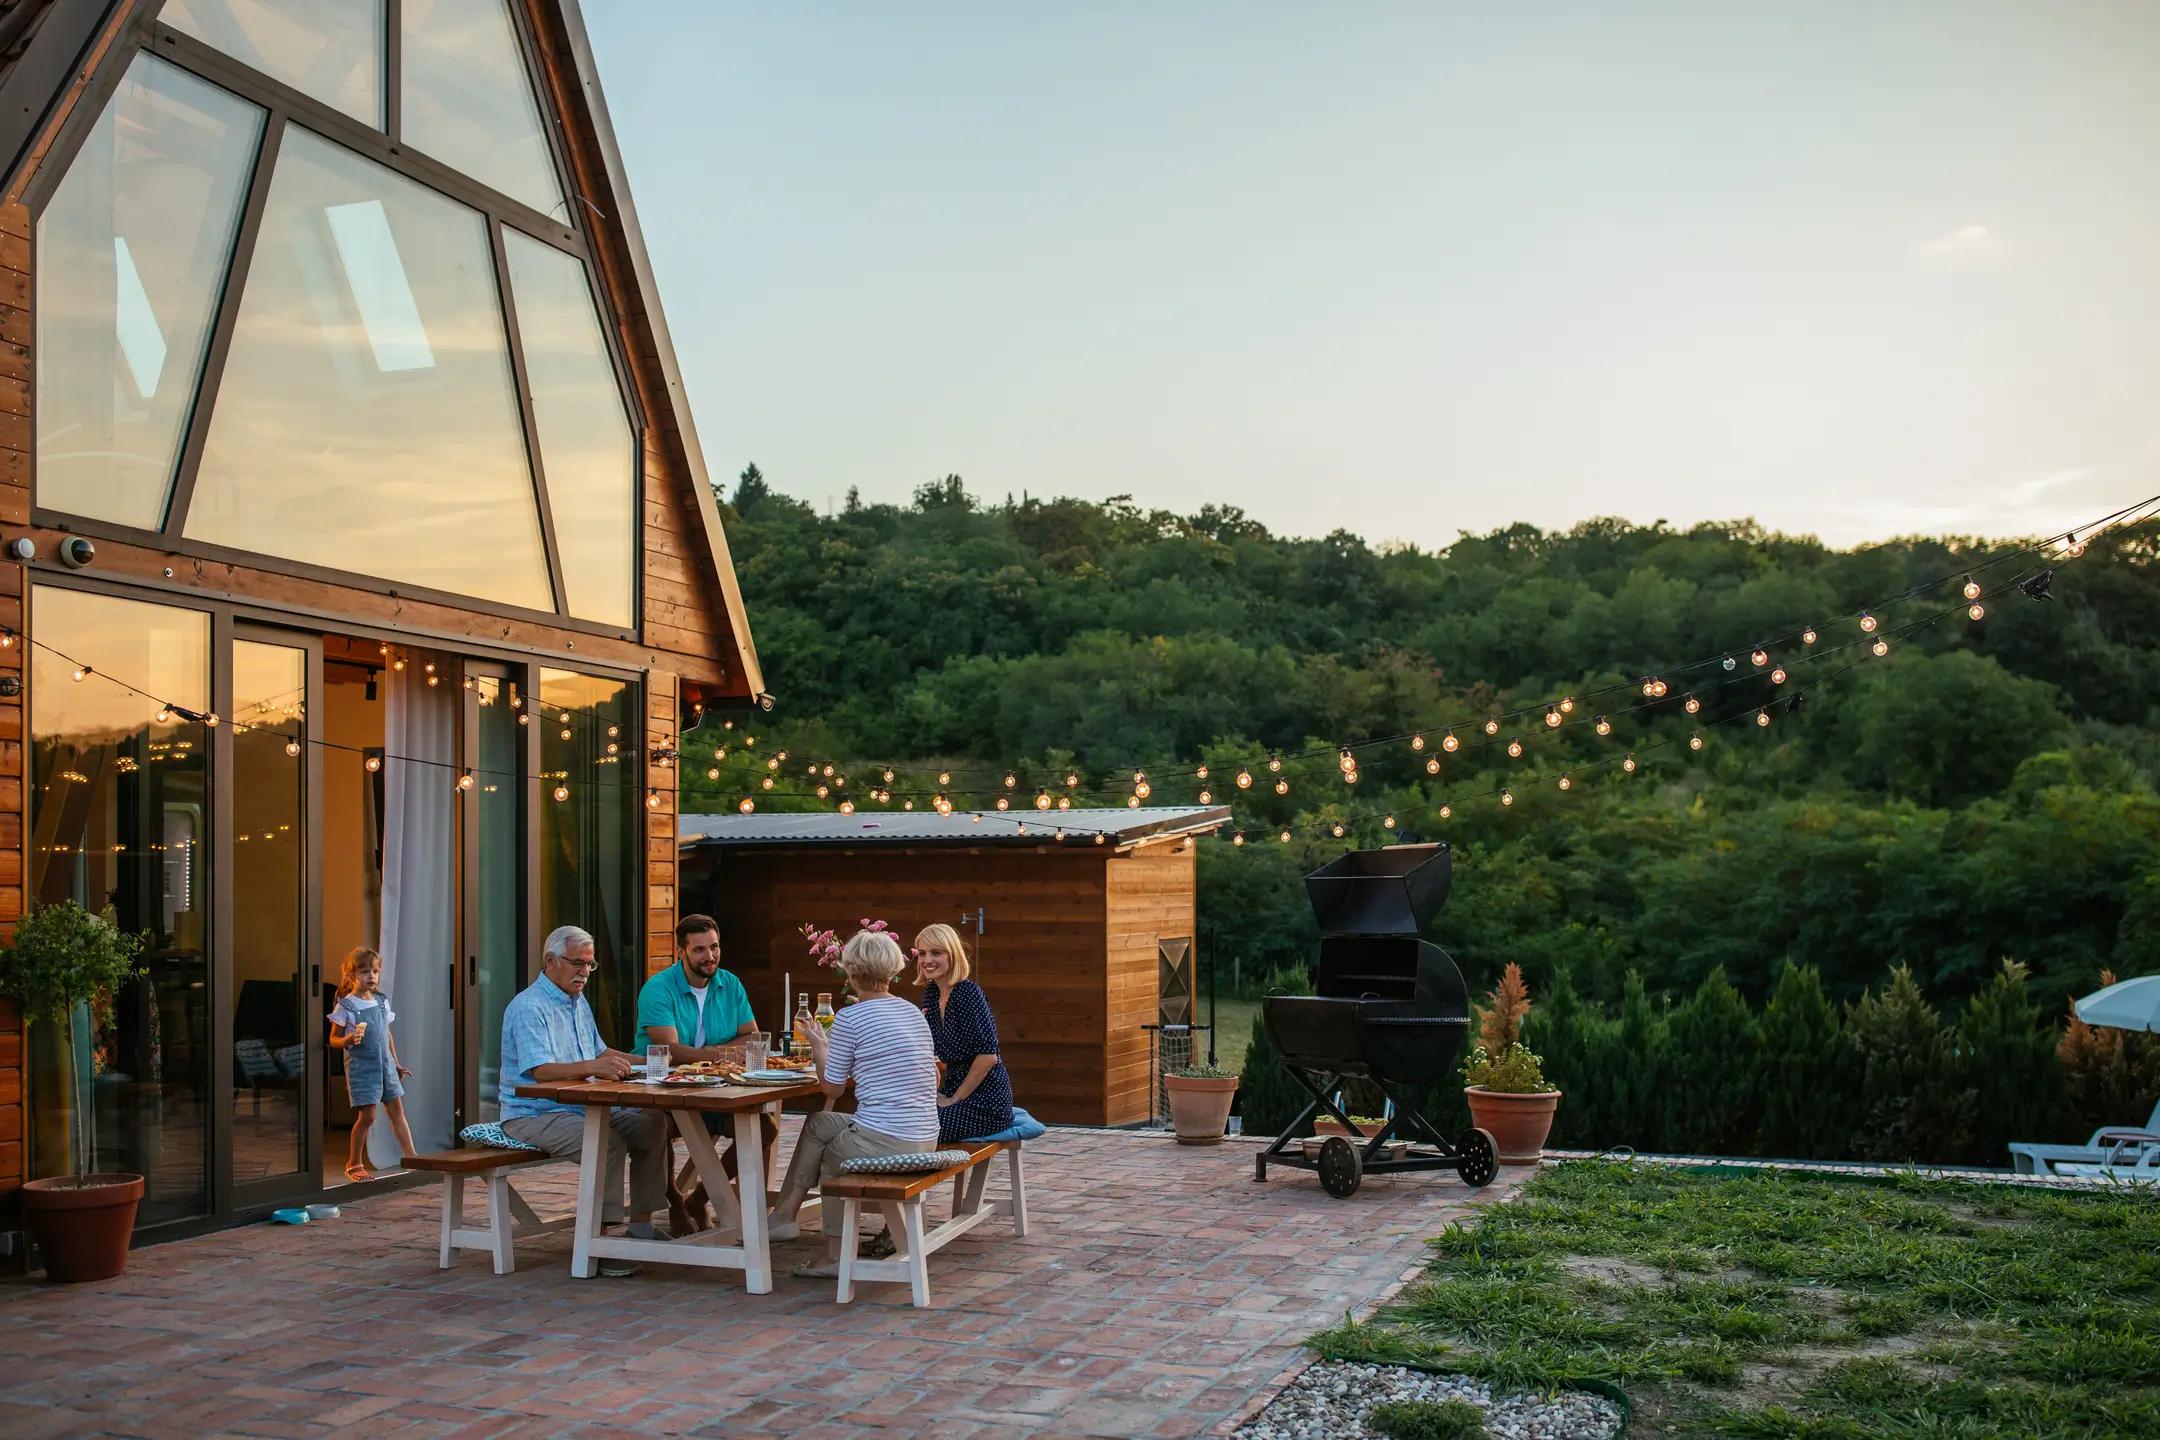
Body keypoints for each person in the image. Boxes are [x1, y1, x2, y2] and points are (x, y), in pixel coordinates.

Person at [499, 924, 672, 1276]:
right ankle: (601, 1241)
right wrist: (595, 1066)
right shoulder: (529, 1007)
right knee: (606, 1140)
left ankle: (641, 1226)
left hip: (580, 1108)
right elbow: (542, 1071)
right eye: (577, 963)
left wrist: (653, 1060)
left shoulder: (576, 1002)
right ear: (550, 961)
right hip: (532, 1114)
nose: (584, 973)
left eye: (590, 966)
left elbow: (598, 1051)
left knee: (652, 1123)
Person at [766, 929, 939, 1279]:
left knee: (834, 1157)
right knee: (818, 1124)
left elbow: (831, 1087)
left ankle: (832, 1255)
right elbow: (932, 1077)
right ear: (892, 971)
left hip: (886, 1138)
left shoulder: (850, 1018)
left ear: (851, 973)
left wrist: (818, 1046)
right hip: (924, 1135)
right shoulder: (911, 1012)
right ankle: (783, 1216)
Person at [635, 913, 776, 1233]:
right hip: (663, 1089)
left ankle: (698, 1199)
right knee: (653, 1125)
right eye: (699, 949)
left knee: (762, 1128)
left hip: (715, 1089)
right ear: (681, 952)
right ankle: (673, 1201)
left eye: (714, 947)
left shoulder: (731, 983)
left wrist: (710, 1059)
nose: (709, 956)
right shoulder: (657, 989)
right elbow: (668, 1050)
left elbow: (752, 1037)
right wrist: (720, 1053)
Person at [914, 923, 1015, 1144]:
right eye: (922, 953)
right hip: (953, 1090)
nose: (927, 960)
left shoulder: (967, 993)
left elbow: (988, 1057)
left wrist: (955, 1099)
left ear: (952, 955)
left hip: (986, 1101)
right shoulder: (932, 993)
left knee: (918, 1129)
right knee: (900, 1118)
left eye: (936, 953)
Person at [328, 946, 417, 1182]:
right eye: (365, 971)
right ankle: (354, 1163)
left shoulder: (380, 1001)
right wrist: (346, 1039)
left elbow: (386, 1035)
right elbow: (333, 1038)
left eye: (375, 971)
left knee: (398, 1112)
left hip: (385, 1066)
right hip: (362, 1069)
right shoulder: (346, 1006)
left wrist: (396, 1063)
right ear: (351, 976)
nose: (372, 976)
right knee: (367, 1117)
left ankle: (412, 1158)